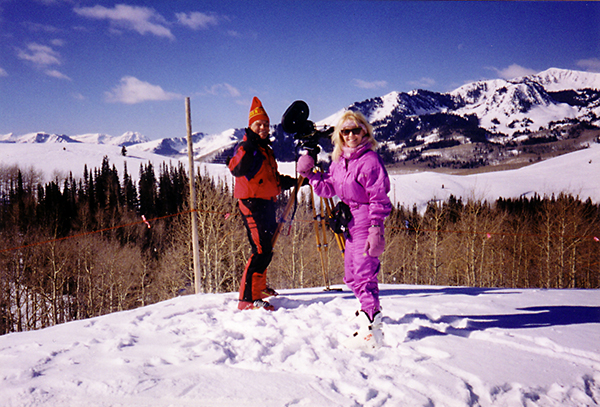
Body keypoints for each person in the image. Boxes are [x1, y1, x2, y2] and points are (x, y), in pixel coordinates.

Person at [297, 110, 392, 348]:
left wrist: (375, 228)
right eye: (345, 131)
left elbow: (379, 198)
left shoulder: (370, 161)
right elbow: (329, 187)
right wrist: (310, 174)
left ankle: (372, 328)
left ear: (365, 132)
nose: (351, 135)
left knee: (363, 272)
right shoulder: (340, 160)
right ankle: (368, 315)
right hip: (349, 219)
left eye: (356, 130)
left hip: (365, 219)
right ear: (340, 134)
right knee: (351, 275)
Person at [228, 97, 297, 311]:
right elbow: (236, 168)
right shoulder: (247, 147)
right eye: (259, 124)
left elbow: (271, 180)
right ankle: (248, 298)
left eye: (266, 124)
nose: (264, 128)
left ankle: (260, 287)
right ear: (250, 126)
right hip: (252, 205)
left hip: (267, 204)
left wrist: (294, 182)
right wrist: (248, 146)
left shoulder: (265, 149)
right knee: (260, 250)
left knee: (267, 247)